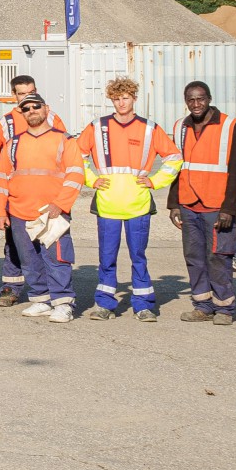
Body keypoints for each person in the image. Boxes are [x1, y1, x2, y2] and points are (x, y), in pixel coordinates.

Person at [81, 76, 183, 321]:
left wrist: (155, 181)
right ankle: (104, 304)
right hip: (108, 203)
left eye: (125, 98)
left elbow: (174, 158)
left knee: (138, 256)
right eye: (116, 99)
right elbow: (76, 157)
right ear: (111, 100)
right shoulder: (97, 126)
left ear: (134, 98)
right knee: (107, 257)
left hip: (138, 203)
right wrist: (91, 180)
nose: (121, 103)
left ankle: (143, 305)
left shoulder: (150, 128)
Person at [0, 91, 85, 323]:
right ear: (21, 113)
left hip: (52, 213)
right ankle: (40, 300)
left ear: (46, 109)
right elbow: (2, 179)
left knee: (57, 259)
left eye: (35, 106)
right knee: (29, 260)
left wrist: (60, 204)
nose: (31, 111)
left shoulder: (64, 140)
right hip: (19, 212)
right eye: (26, 108)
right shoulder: (13, 144)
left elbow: (75, 174)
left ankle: (63, 302)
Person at [171, 80, 236, 326]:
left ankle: (224, 308)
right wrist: (174, 204)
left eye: (200, 98)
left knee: (219, 257)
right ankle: (202, 306)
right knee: (194, 257)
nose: (196, 104)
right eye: (191, 100)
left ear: (210, 98)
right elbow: (176, 168)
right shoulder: (180, 127)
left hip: (217, 207)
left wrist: (229, 209)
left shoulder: (229, 126)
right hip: (189, 204)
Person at [0, 73, 62, 307]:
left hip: (47, 197)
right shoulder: (5, 122)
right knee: (16, 243)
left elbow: (64, 151)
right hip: (17, 197)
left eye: (31, 92)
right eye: (22, 94)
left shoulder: (52, 117)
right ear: (14, 96)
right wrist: (6, 188)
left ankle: (51, 290)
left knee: (49, 243)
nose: (28, 98)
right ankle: (11, 287)